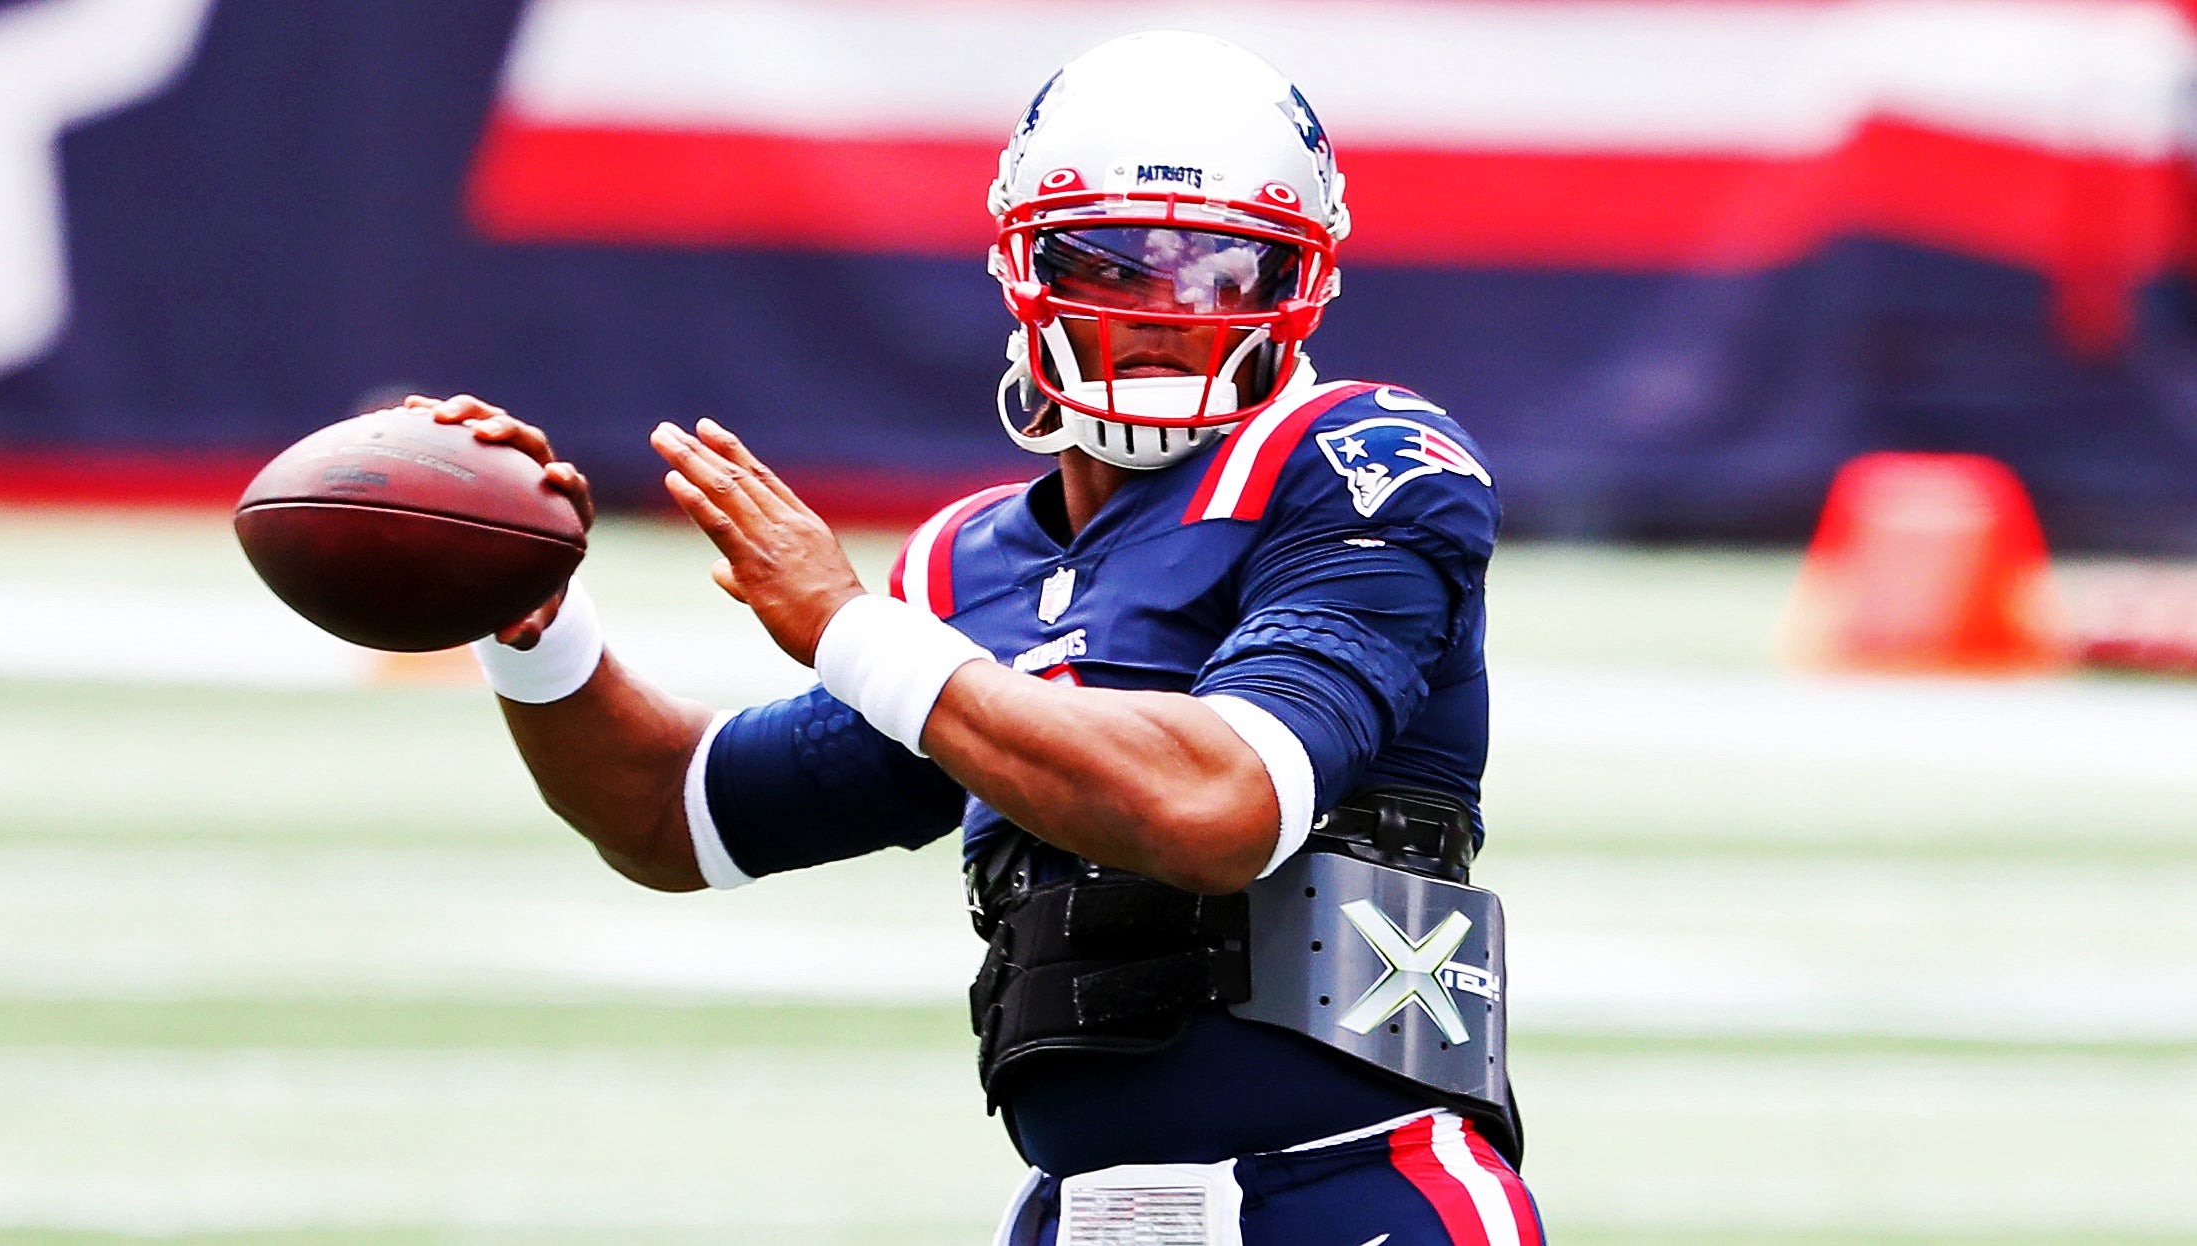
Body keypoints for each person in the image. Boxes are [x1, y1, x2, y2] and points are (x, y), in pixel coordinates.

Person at [414, 30, 1543, 1246]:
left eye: (1222, 266)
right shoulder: (966, 567)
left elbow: (1220, 806)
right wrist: (528, 623)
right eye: (1114, 263)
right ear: (1025, 266)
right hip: (1081, 1218)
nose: (1167, 307)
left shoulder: (1357, 457)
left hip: (1353, 1197)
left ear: (1296, 284)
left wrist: (850, 626)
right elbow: (672, 814)